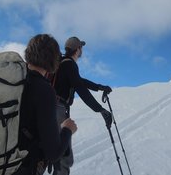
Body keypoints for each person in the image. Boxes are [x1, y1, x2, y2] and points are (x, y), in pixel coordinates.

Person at [15, 34, 78, 175]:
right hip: (22, 168)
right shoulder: (44, 89)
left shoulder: (13, 81)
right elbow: (53, 153)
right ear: (53, 60)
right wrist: (67, 130)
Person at [52, 36, 112, 175]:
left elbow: (79, 81)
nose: (82, 50)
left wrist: (99, 87)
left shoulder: (62, 64)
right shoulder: (69, 64)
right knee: (64, 159)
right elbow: (80, 87)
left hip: (53, 108)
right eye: (81, 47)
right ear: (77, 49)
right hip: (58, 110)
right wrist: (100, 109)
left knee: (57, 156)